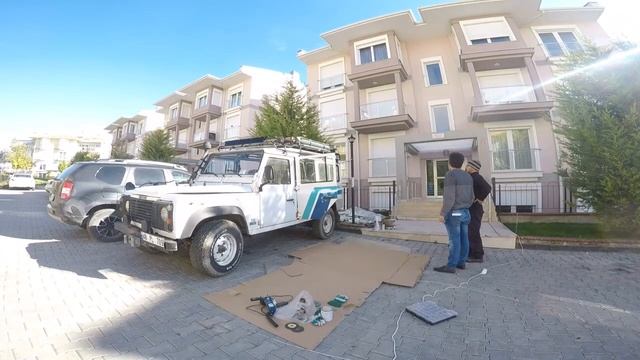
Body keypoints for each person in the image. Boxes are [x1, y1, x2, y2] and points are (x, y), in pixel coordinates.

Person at [434, 152, 474, 274]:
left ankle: (451, 265)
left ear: (449, 163)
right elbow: (472, 197)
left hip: (455, 213)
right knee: (464, 238)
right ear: (462, 163)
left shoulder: (450, 175)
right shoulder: (468, 176)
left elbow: (449, 198)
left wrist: (442, 213)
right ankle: (461, 263)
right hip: (466, 212)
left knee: (454, 239)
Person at [465, 160, 492, 263]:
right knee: (470, 232)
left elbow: (488, 188)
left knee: (473, 232)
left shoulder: (477, 177)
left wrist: (480, 199)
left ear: (473, 167)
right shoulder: (471, 177)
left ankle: (478, 256)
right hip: (471, 209)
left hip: (475, 210)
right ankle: (472, 252)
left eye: (468, 166)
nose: (466, 167)